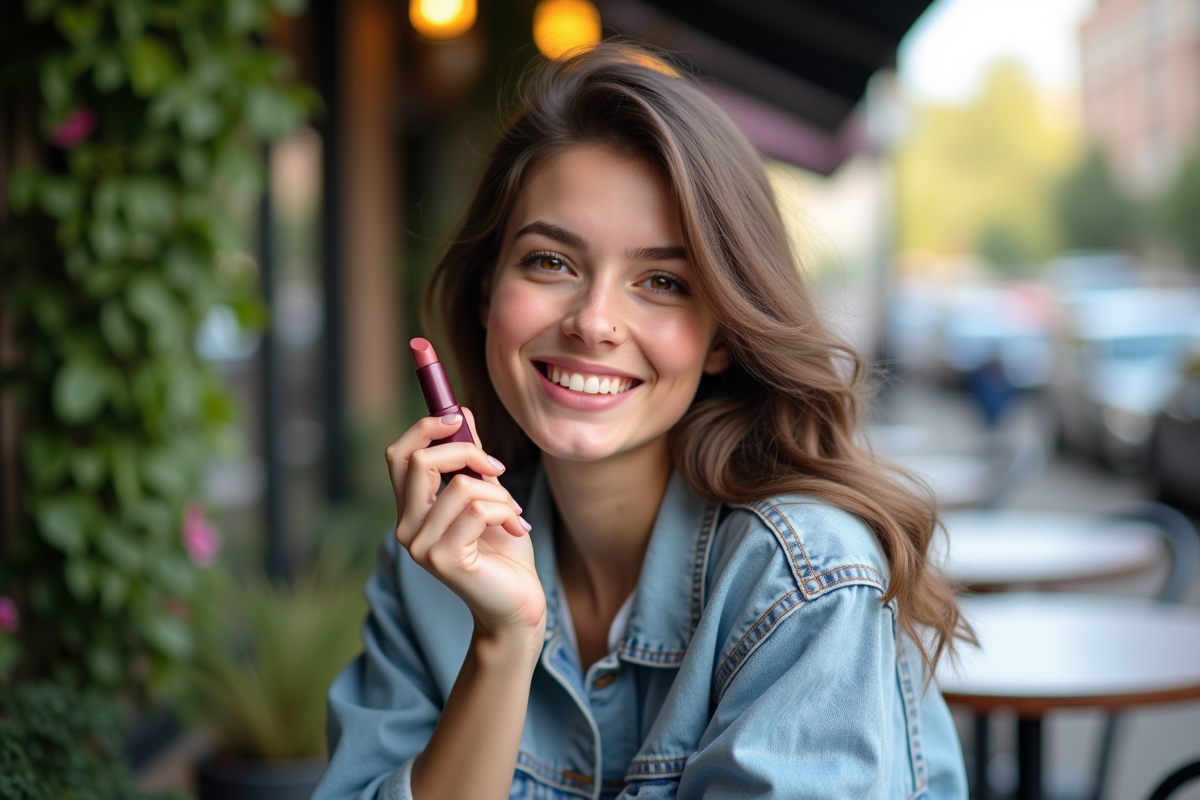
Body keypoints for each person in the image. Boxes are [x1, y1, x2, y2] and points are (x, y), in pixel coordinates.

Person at [315, 42, 971, 800]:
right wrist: (503, 644)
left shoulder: (805, 580)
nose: (594, 323)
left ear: (722, 334)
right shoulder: (432, 569)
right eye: (550, 262)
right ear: (486, 290)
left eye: (661, 281)